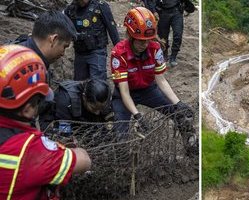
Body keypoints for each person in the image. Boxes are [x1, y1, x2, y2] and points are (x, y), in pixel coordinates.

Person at [0, 44, 91, 199]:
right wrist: (57, 149)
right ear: (28, 109)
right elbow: (84, 161)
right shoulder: (28, 148)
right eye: (38, 102)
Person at [111, 7, 196, 152]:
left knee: (181, 115)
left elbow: (161, 81)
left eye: (147, 41)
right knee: (120, 135)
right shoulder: (119, 53)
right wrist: (137, 115)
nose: (144, 45)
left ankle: (192, 148)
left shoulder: (155, 49)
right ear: (130, 36)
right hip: (125, 93)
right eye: (140, 41)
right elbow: (124, 92)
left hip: (148, 90)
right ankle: (122, 162)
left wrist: (178, 103)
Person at [65, 0, 120, 81]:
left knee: (98, 85)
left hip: (97, 51)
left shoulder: (100, 6)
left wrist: (120, 51)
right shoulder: (70, 9)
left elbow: (112, 29)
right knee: (79, 84)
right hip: (79, 53)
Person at [145, 0, 185, 67]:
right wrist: (154, 11)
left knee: (178, 34)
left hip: (177, 10)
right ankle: (164, 52)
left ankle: (173, 56)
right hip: (162, 11)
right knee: (163, 36)